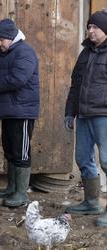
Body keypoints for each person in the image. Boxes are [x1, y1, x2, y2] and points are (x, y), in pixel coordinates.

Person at [0, 18, 39, 207]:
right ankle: (12, 187)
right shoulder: (2, 54)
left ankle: (21, 194)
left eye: (1, 40)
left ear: (11, 38)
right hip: (9, 110)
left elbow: (18, 79)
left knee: (21, 152)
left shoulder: (25, 52)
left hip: (22, 111)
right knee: (10, 150)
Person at [64, 10, 107, 226]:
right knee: (83, 158)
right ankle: (91, 202)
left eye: (95, 27)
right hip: (83, 115)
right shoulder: (85, 53)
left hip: (104, 115)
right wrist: (69, 111)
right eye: (89, 27)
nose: (90, 30)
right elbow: (75, 85)